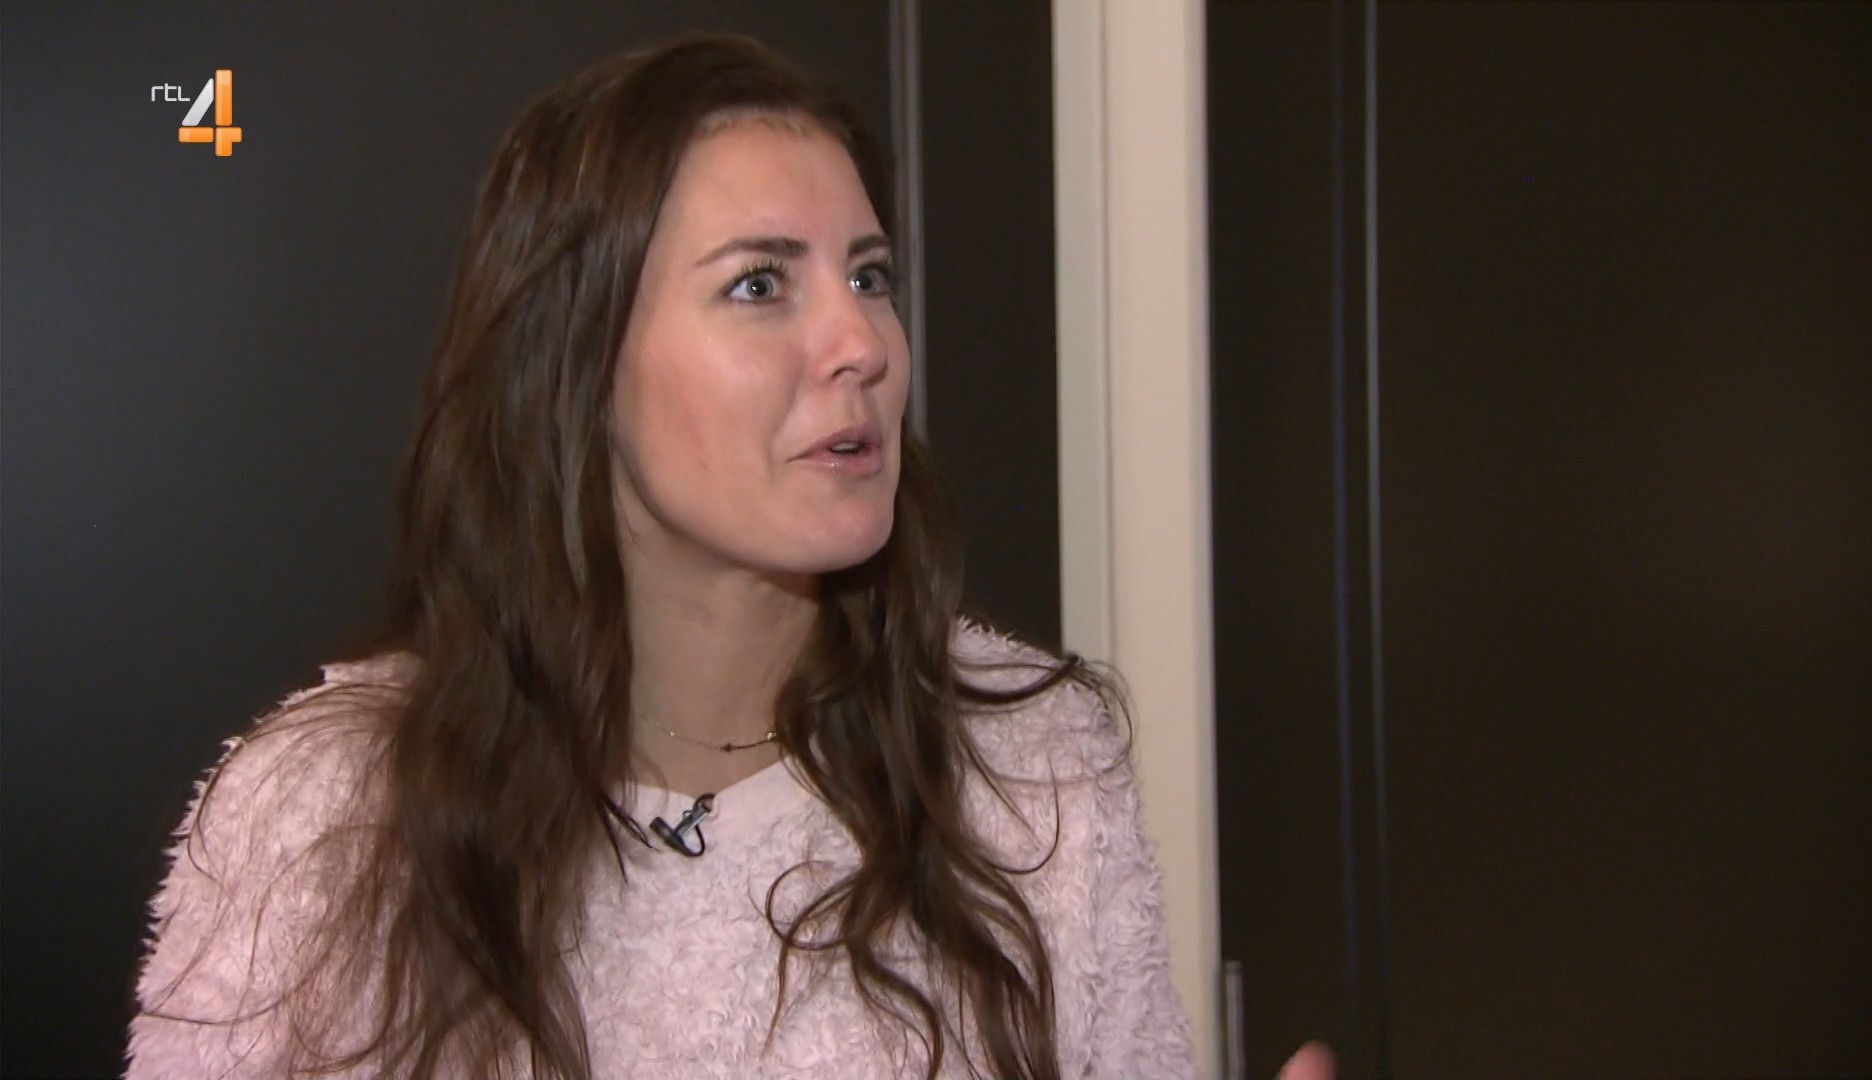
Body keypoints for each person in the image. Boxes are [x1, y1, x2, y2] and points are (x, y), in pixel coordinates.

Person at [127, 31, 1340, 1080]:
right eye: (761, 283)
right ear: (578, 363)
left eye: (870, 275)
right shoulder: (323, 815)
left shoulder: (1034, 771)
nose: (861, 340)